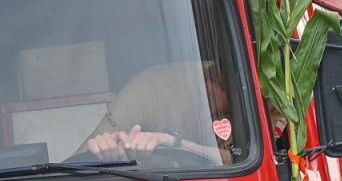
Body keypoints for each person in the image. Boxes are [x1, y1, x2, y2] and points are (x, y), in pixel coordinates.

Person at [79, 61, 236, 165]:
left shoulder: (239, 105)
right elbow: (80, 160)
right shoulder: (149, 88)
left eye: (226, 112)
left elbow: (236, 160)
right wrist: (106, 146)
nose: (223, 115)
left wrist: (172, 142)